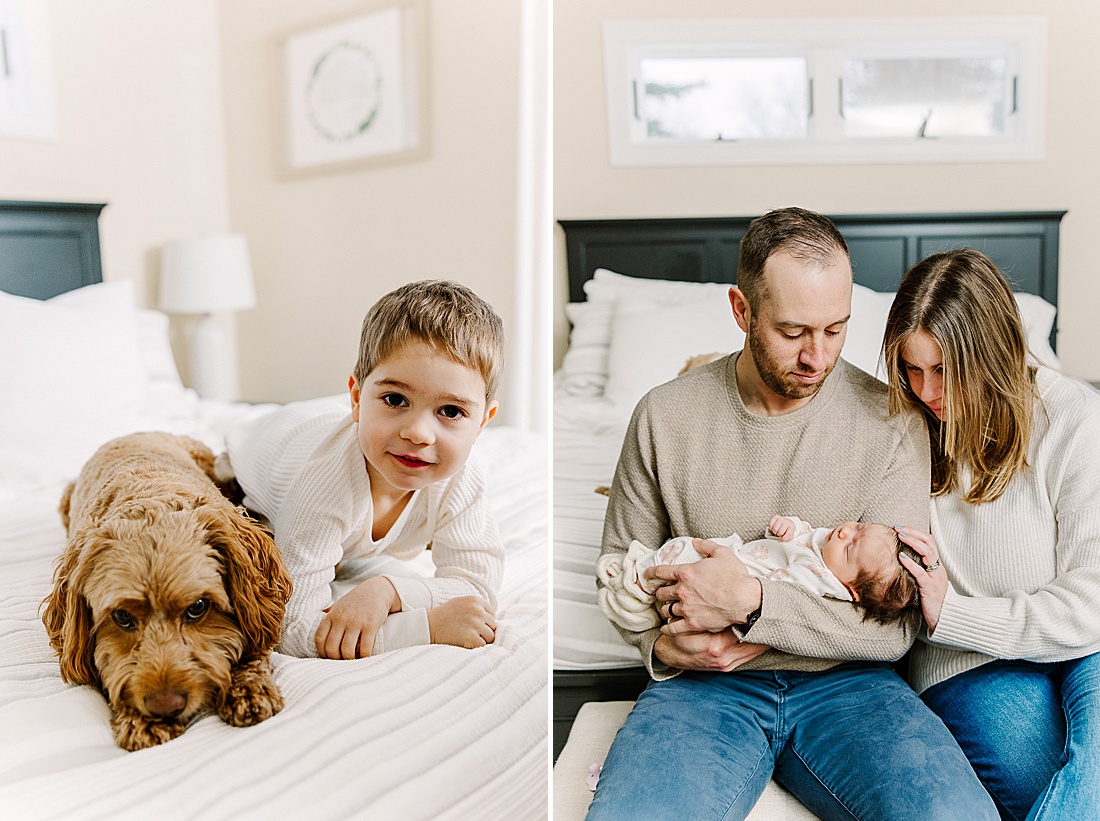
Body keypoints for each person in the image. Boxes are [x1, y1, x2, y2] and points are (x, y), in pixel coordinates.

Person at [587, 207, 997, 820]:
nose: (817, 356)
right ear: (741, 311)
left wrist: (754, 605)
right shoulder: (662, 418)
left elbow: (893, 624)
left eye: (836, 329)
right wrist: (662, 650)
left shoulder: (893, 422)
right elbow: (619, 571)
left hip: (851, 686)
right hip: (703, 688)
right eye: (793, 331)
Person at [883, 248, 1100, 820]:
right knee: (1051, 784)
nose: (926, 391)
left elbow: (1092, 604)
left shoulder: (1073, 417)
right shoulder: (899, 430)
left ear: (995, 354)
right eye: (912, 368)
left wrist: (954, 613)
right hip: (970, 663)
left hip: (1085, 649)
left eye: (944, 370)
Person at [222, 280, 504, 660]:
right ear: (356, 398)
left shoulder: (461, 477)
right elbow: (290, 628)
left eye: (451, 411)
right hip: (269, 442)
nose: (418, 433)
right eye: (395, 399)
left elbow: (478, 591)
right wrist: (425, 627)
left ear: (482, 423)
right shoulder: (324, 483)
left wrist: (389, 590)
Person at [597, 515, 921, 631]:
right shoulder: (830, 549)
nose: (844, 532)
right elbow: (808, 532)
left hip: (737, 573)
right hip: (733, 555)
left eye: (850, 546)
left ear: (850, 590)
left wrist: (792, 539)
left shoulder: (821, 579)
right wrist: (792, 526)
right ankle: (641, 575)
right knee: (681, 549)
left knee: (682, 553)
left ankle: (636, 587)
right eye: (858, 527)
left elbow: (784, 588)